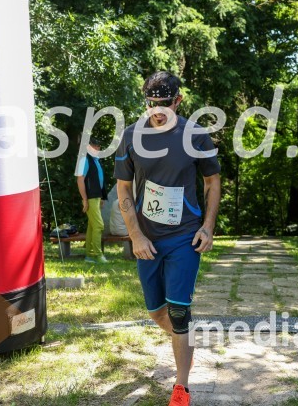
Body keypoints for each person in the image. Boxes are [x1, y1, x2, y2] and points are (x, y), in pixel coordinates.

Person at [114, 71, 221, 406]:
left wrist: (208, 227)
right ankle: (184, 337)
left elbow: (212, 182)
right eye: (151, 104)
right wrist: (135, 236)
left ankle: (181, 386)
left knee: (177, 311)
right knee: (157, 312)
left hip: (184, 236)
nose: (157, 110)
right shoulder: (132, 136)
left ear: (178, 100)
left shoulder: (196, 135)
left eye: (164, 104)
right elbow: (124, 189)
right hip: (147, 239)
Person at [75, 137, 109, 263]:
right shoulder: (84, 159)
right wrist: (84, 199)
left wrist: (101, 197)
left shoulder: (95, 160)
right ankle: (97, 255)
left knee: (92, 226)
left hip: (96, 197)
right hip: (89, 198)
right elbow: (80, 179)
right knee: (99, 226)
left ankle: (89, 255)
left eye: (99, 145)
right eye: (95, 145)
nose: (98, 147)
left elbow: (98, 180)